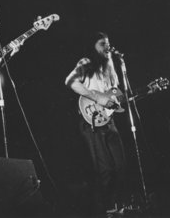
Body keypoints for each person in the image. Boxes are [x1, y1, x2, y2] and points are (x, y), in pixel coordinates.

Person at [65, 31, 126, 216]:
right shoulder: (86, 63)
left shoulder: (111, 66)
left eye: (108, 43)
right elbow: (70, 82)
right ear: (93, 47)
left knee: (121, 166)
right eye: (102, 44)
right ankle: (105, 211)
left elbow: (114, 93)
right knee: (104, 170)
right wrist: (97, 97)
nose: (107, 47)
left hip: (108, 120)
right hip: (91, 120)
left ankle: (116, 207)